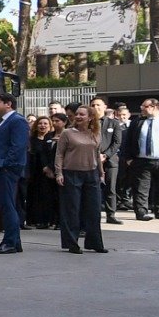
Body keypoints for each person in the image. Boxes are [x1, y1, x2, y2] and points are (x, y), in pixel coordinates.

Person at [56, 105, 109, 253]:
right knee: (72, 210)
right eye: (77, 114)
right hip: (71, 173)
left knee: (94, 209)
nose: (78, 117)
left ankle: (95, 242)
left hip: (91, 174)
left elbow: (97, 154)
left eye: (82, 115)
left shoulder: (95, 133)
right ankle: (71, 243)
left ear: (90, 117)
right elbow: (59, 154)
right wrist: (59, 173)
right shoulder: (67, 133)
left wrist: (101, 172)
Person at [0, 97, 31, 253]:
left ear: (8, 104)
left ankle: (9, 242)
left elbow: (18, 146)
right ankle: (14, 241)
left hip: (4, 168)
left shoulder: (17, 121)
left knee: (7, 204)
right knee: (4, 204)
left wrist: (6, 164)